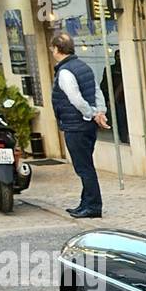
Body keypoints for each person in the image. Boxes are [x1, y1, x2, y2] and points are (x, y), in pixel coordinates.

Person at [50, 32, 110, 219]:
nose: (52, 52)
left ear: (57, 49)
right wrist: (100, 112)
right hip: (86, 126)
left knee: (84, 168)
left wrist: (92, 114)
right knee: (86, 165)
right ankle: (85, 203)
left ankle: (92, 206)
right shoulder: (84, 66)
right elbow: (97, 91)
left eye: (52, 49)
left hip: (76, 125)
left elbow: (76, 99)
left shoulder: (66, 72)